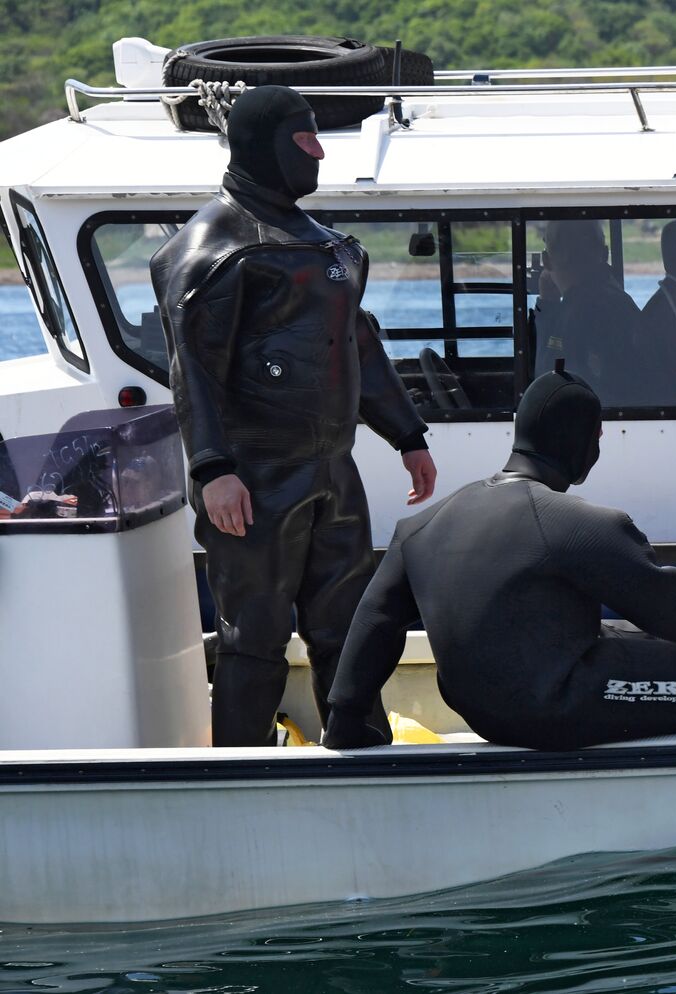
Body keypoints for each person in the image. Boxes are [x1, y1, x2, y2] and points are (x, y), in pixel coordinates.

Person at [150, 85, 438, 747]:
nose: (318, 154)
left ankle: (362, 751)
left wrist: (407, 434)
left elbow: (359, 342)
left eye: (317, 139)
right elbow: (190, 369)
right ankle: (239, 773)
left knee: (350, 625)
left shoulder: (328, 246)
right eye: (305, 141)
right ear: (267, 145)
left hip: (332, 470)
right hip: (253, 478)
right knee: (253, 635)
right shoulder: (208, 247)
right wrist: (214, 469)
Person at [322, 366, 676, 751]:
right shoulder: (578, 525)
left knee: (633, 638)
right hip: (555, 708)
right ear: (578, 440)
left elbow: (375, 621)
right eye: (596, 439)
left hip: (482, 712)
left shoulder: (421, 527)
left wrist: (345, 722)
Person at [533, 219, 649, 406]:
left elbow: (546, 383)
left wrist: (547, 306)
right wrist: (549, 304)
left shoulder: (584, 311)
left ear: (546, 260)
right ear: (604, 254)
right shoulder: (612, 301)